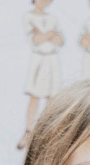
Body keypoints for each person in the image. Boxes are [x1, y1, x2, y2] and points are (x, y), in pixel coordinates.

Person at [18, 0, 63, 150]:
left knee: (52, 98)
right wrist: (49, 34)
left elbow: (59, 40)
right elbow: (35, 39)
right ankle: (28, 131)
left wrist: (45, 34)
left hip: (52, 59)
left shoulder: (53, 18)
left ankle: (49, 134)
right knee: (34, 96)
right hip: (39, 59)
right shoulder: (28, 17)